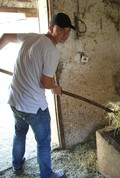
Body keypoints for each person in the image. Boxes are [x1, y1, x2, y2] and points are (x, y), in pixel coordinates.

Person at [0, 12, 75, 178]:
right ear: (51, 28)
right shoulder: (51, 51)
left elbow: (5, 37)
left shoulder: (31, 37)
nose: (65, 35)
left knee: (19, 133)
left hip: (15, 100)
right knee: (43, 142)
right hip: (34, 106)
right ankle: (47, 174)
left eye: (68, 31)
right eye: (61, 29)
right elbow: (45, 83)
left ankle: (17, 166)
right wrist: (55, 87)